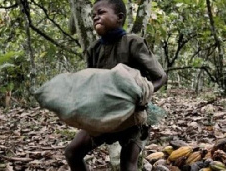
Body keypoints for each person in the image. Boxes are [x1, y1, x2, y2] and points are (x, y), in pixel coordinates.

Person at [64, 0, 167, 170]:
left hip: (133, 117)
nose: (96, 17)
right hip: (104, 114)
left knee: (128, 164)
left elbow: (161, 77)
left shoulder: (133, 42)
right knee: (72, 152)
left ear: (119, 18)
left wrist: (142, 96)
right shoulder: (94, 49)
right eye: (93, 15)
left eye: (101, 12)